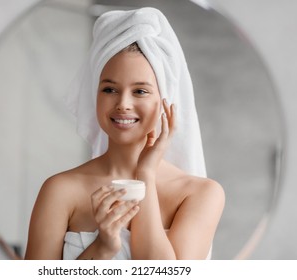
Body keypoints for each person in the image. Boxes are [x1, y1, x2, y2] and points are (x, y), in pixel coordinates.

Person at [24, 7, 224, 260]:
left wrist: (146, 176)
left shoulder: (200, 194)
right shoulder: (60, 191)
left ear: (165, 101)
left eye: (140, 91)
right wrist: (102, 247)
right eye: (109, 90)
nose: (123, 104)